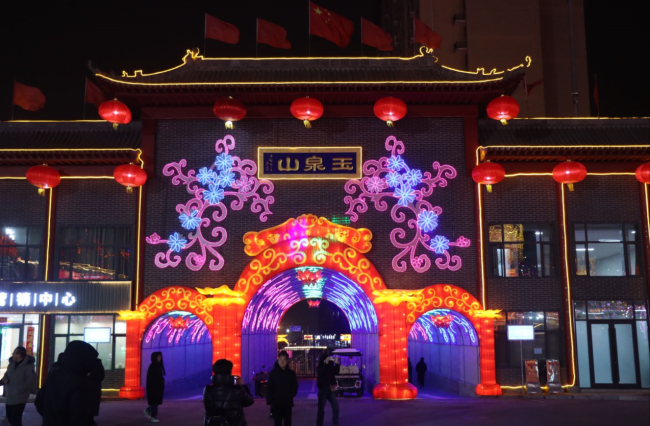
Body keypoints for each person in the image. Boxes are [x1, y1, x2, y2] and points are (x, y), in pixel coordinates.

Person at [35, 340, 99, 426]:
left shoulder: (54, 374)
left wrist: (51, 417)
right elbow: (78, 415)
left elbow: (39, 401)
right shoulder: (80, 381)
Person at [202, 358, 254, 426]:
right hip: (235, 423)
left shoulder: (207, 389)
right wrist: (243, 385)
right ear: (229, 371)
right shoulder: (237, 389)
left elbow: (207, 406)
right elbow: (249, 402)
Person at [2, 347, 36, 426]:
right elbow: (6, 374)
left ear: (20, 355)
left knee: (16, 418)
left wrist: (20, 389)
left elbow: (30, 380)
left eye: (14, 353)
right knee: (9, 416)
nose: (12, 354)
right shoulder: (12, 363)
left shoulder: (28, 366)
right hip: (10, 394)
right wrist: (5, 379)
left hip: (20, 396)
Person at [266, 351, 298, 426]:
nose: (282, 362)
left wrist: (291, 394)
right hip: (276, 402)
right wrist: (270, 399)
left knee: (288, 422)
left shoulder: (291, 373)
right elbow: (269, 387)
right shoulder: (273, 373)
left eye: (284, 360)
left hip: (287, 402)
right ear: (278, 360)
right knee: (277, 422)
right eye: (281, 359)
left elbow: (295, 386)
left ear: (287, 361)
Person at [316, 352, 340, 426]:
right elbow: (320, 372)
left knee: (336, 406)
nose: (329, 359)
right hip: (323, 389)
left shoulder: (330, 365)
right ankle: (319, 424)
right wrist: (325, 363)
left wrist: (337, 364)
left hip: (330, 388)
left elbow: (336, 372)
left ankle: (335, 423)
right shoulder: (320, 366)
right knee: (321, 409)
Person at [144, 352, 165, 423]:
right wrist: (154, 387)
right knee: (155, 403)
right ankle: (153, 416)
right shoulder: (153, 366)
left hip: (158, 388)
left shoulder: (158, 366)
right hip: (153, 388)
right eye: (159, 356)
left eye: (160, 356)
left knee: (157, 402)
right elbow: (151, 379)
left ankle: (148, 410)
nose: (160, 358)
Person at [85, 358, 105, 426]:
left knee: (90, 404)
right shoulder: (97, 364)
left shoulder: (89, 364)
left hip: (90, 388)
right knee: (92, 405)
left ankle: (89, 420)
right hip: (94, 388)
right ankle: (90, 419)